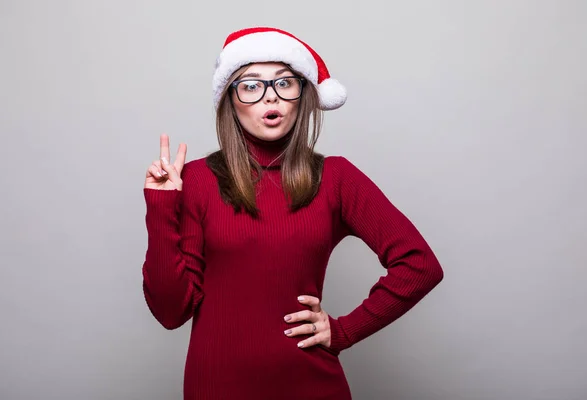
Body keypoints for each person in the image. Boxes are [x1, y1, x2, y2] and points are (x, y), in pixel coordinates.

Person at [141, 26, 444, 400]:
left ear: (302, 95)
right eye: (251, 85)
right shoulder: (198, 180)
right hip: (217, 388)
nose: (272, 98)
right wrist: (161, 207)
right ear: (229, 100)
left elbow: (420, 265)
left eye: (284, 83)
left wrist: (345, 330)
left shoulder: (336, 178)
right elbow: (170, 313)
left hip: (312, 385)